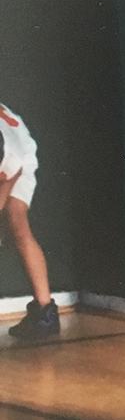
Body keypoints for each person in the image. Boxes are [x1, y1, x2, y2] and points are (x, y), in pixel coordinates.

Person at [0, 104, 59, 340]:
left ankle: (46, 314)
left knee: (17, 223)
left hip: (19, 156)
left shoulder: (9, 159)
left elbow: (11, 172)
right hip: (11, 145)